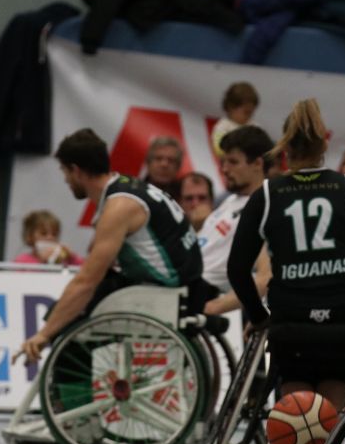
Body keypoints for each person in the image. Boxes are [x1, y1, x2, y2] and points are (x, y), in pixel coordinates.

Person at [227, 99, 345, 411]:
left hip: (291, 319)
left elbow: (237, 270)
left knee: (297, 406)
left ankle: (299, 442)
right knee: (333, 393)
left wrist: (258, 317)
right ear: (324, 146)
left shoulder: (268, 194)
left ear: (285, 148)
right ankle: (329, 442)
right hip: (343, 318)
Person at [15, 128, 203, 363]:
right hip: (184, 275)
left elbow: (87, 280)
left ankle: (70, 385)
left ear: (76, 170)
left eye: (65, 172)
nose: (65, 180)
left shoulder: (118, 206)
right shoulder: (126, 185)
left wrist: (43, 335)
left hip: (167, 284)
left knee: (66, 325)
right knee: (70, 307)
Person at [199, 126, 273, 316]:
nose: (224, 169)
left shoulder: (267, 206)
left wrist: (213, 307)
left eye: (233, 162)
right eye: (223, 162)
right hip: (186, 282)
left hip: (206, 296)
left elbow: (265, 278)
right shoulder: (230, 200)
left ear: (257, 163)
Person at [14, 210, 83, 266]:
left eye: (54, 234)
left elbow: (84, 270)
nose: (50, 237)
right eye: (43, 233)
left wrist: (71, 257)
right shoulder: (22, 261)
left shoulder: (63, 260)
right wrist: (42, 262)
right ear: (30, 236)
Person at [210, 82, 259, 159]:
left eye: (251, 113)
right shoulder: (223, 127)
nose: (249, 116)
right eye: (246, 112)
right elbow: (218, 149)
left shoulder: (255, 127)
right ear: (231, 107)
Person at [144, 135, 184, 200]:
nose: (164, 164)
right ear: (148, 163)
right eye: (158, 158)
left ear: (178, 166)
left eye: (171, 160)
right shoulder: (133, 192)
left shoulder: (187, 197)